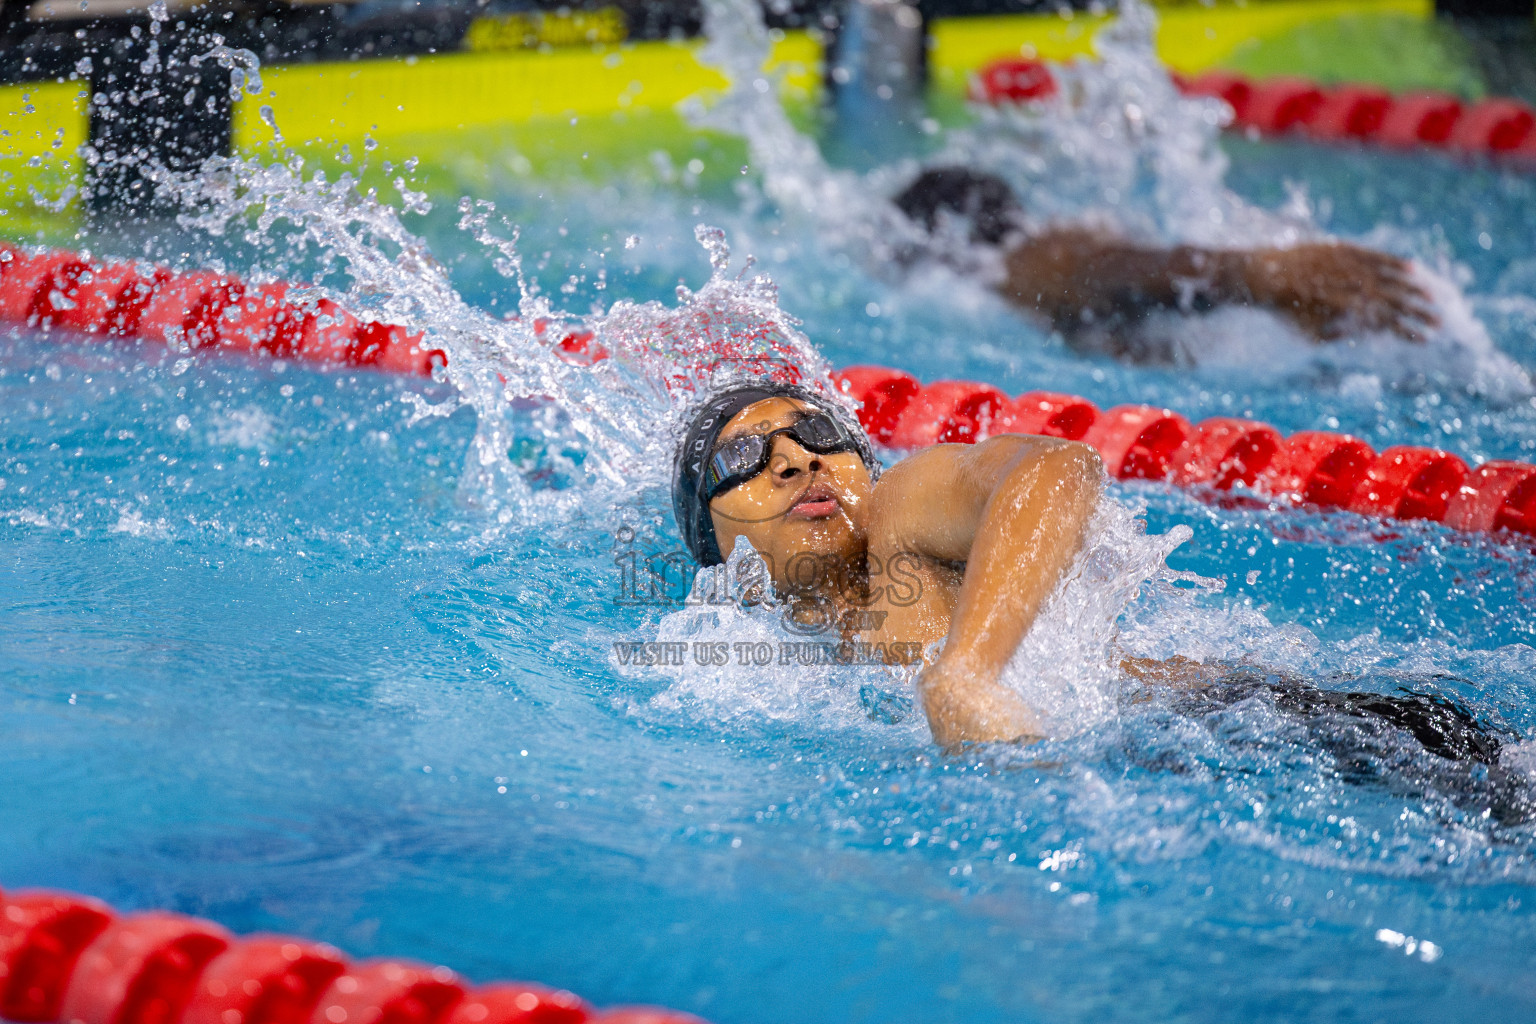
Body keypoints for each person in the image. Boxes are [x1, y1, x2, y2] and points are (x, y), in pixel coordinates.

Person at [670, 381, 1523, 810]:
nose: (797, 459)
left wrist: (967, 672)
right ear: (711, 543)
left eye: (817, 434)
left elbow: (1056, 467)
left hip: (1288, 729)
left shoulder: (902, 513)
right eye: (743, 458)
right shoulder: (747, 667)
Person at [891, 167, 1440, 359]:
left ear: (943, 237)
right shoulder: (1037, 261)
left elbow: (1116, 270)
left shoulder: (1024, 264)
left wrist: (1258, 275)